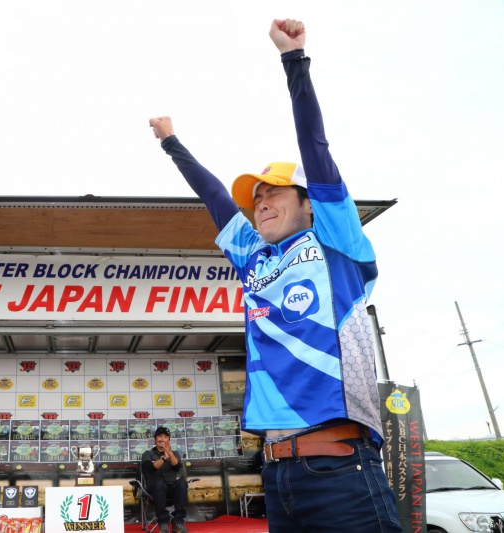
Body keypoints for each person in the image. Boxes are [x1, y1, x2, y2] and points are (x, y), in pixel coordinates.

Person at [148, 19, 401, 533]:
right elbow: (217, 197)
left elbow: (317, 151)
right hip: (277, 471)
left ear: (309, 204)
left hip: (340, 467)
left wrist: (294, 61)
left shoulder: (334, 241)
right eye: (257, 198)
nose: (261, 203)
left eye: (274, 194)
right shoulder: (255, 256)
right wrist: (171, 142)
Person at [140, 427, 188, 533]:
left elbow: (177, 467)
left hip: (171, 489)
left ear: (169, 441)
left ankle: (178, 522)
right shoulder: (147, 454)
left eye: (166, 437)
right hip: (154, 490)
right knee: (158, 483)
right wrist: (164, 458)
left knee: (181, 483)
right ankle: (163, 523)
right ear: (155, 439)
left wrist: (170, 454)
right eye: (160, 436)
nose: (163, 439)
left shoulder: (174, 454)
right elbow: (151, 468)